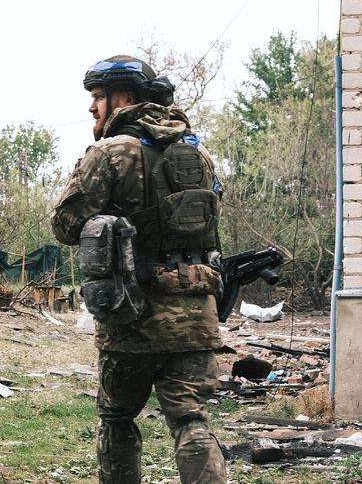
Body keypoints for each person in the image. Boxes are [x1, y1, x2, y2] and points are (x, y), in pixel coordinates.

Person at [51, 55, 227, 484]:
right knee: (191, 420)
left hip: (133, 315)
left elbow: (66, 225)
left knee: (116, 419)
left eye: (97, 97)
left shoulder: (109, 153)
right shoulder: (198, 152)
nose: (92, 108)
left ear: (124, 98)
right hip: (196, 313)